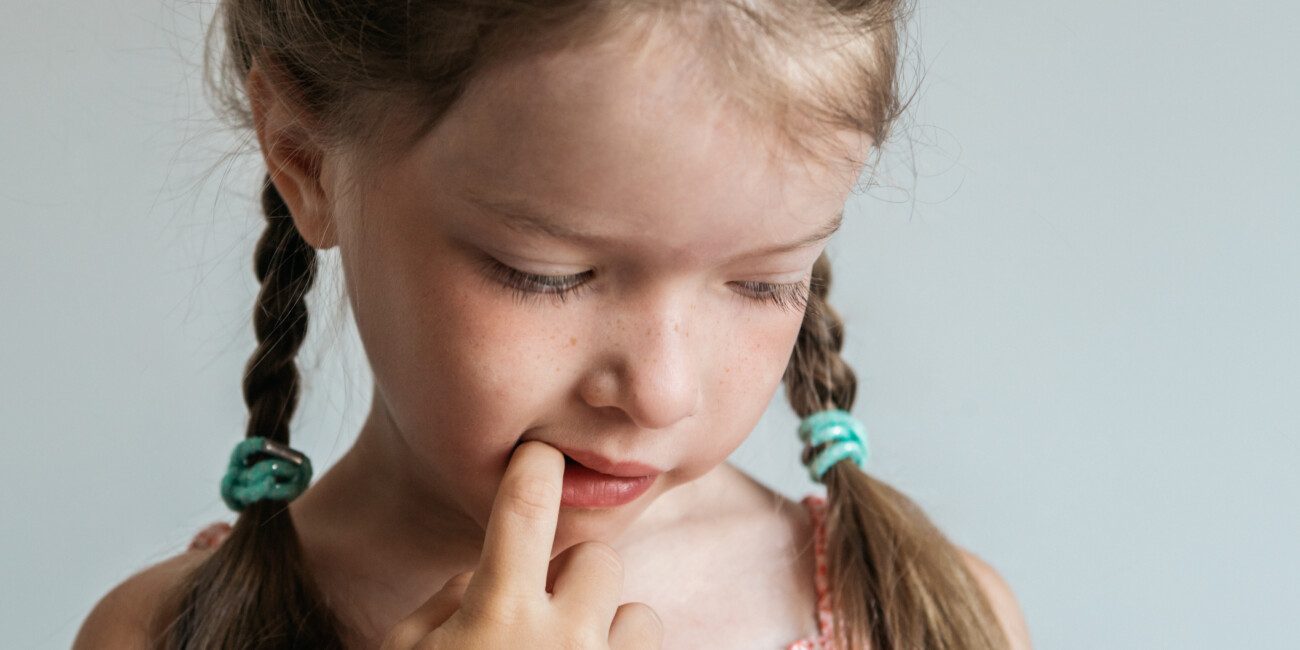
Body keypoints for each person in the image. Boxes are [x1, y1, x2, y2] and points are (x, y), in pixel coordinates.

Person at [74, 1, 1033, 648]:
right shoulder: (162, 635)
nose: (662, 390)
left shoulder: (923, 617)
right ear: (306, 161)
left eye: (764, 282)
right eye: (548, 275)